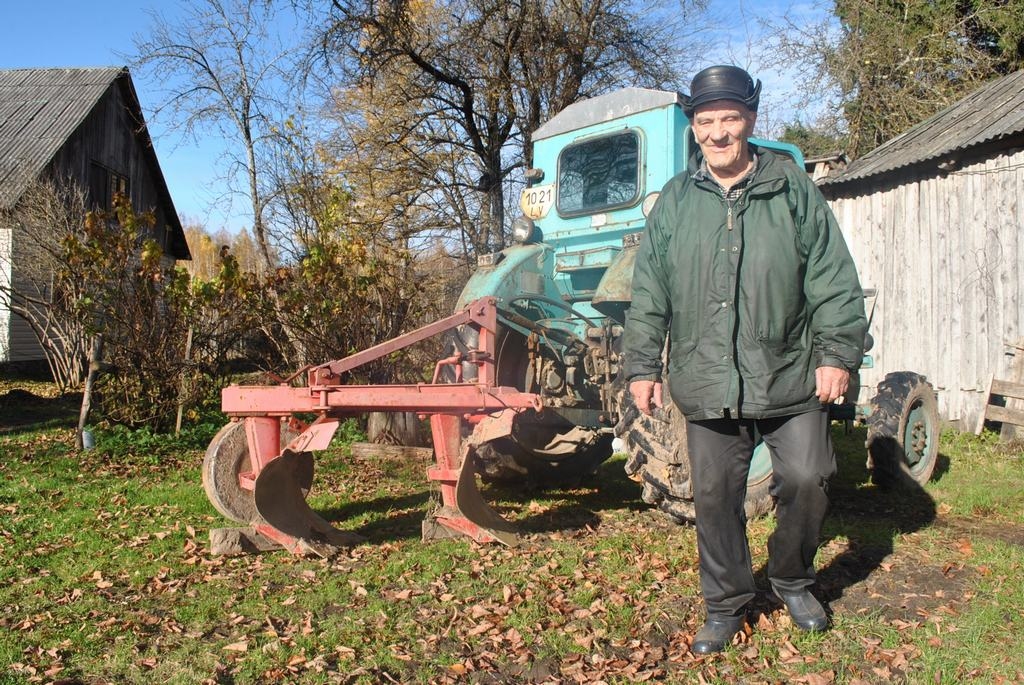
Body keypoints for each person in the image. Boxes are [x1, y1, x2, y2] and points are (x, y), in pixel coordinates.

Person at [623, 65, 868, 654]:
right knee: (712, 494)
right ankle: (727, 602)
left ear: (750, 120)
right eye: (705, 122)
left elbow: (833, 276)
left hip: (789, 370)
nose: (718, 133)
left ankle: (792, 578)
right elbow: (649, 289)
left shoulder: (792, 188)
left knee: (809, 477)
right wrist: (641, 366)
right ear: (694, 129)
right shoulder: (677, 202)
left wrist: (837, 352)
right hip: (706, 378)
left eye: (729, 119)